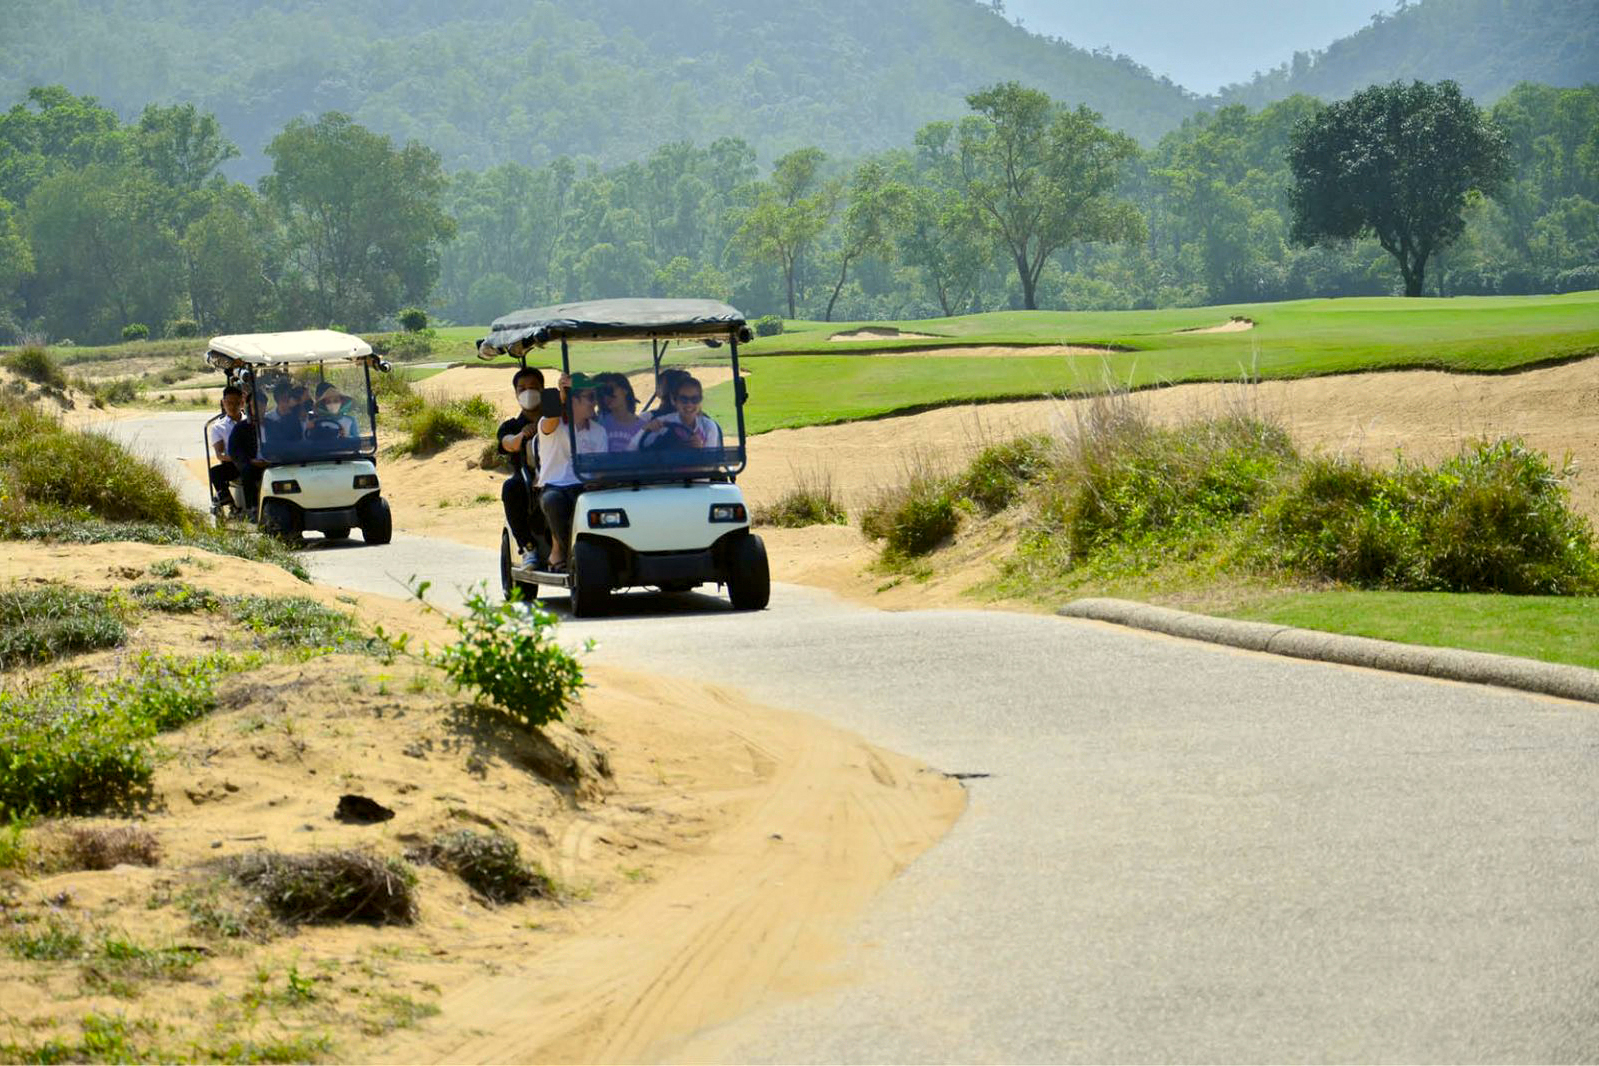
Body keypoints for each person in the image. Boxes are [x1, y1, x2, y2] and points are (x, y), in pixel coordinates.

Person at [537, 374, 608, 571]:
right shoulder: (552, 424)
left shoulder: (598, 431)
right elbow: (550, 419)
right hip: (556, 487)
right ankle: (571, 556)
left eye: (595, 397)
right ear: (573, 400)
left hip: (586, 486)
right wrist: (561, 396)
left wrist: (598, 482)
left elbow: (601, 468)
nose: (595, 403)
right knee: (553, 501)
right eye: (590, 397)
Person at [497, 366, 549, 566]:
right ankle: (528, 547)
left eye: (533, 387)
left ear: (543, 390)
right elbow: (508, 443)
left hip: (557, 473)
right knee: (510, 488)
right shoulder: (511, 426)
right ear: (516, 393)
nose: (528, 392)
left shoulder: (555, 418)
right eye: (522, 389)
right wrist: (521, 436)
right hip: (527, 478)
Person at [633, 375, 722, 452]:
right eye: (684, 399)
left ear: (700, 400)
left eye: (695, 399)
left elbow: (711, 465)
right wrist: (645, 429)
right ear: (674, 400)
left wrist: (700, 450)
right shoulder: (661, 423)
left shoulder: (708, 427)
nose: (689, 404)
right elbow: (633, 450)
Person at [208, 384, 246, 506]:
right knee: (215, 472)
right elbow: (220, 454)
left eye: (236, 403)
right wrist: (237, 457)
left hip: (253, 460)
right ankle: (228, 501)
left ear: (242, 403)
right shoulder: (218, 427)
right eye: (229, 403)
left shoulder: (250, 421)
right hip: (234, 464)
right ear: (223, 403)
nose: (232, 406)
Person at [593, 371, 647, 452]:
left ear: (625, 390)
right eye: (603, 393)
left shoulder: (642, 427)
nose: (607, 396)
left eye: (610, 390)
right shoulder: (599, 423)